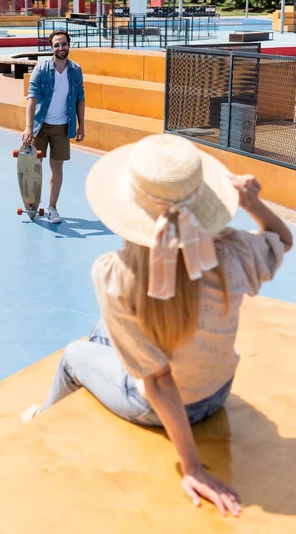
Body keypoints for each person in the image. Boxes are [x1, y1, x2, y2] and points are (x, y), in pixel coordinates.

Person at [21, 134, 292, 516]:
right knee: (105, 327)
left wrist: (192, 466)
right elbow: (281, 238)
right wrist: (252, 202)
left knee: (73, 356)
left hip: (158, 407)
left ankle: (43, 416)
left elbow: (160, 382)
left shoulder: (116, 277)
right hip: (216, 392)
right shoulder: (234, 254)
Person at [22, 29, 85, 224]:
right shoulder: (41, 69)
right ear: (51, 48)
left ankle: (52, 208)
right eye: (56, 45)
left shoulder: (75, 70)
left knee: (57, 168)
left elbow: (80, 99)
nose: (60, 48)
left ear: (69, 45)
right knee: (35, 167)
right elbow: (31, 98)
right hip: (41, 126)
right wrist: (28, 127)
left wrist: (81, 125)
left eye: (63, 44)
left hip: (62, 127)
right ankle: (32, 203)